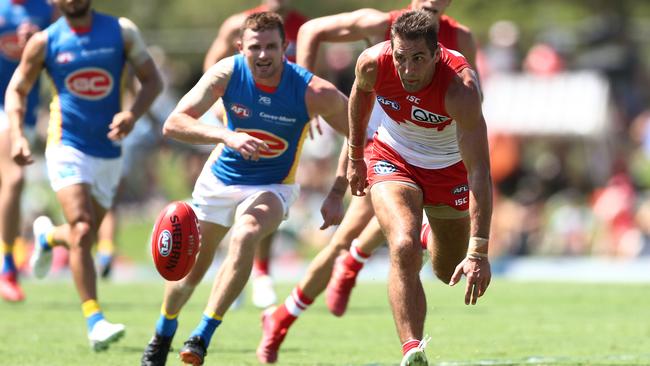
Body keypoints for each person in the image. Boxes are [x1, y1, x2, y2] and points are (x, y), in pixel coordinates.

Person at [255, 1, 479, 363]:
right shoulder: (379, 25)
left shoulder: (461, 39)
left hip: (438, 158)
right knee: (350, 239)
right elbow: (311, 31)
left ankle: (356, 260)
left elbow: (469, 98)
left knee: (417, 245)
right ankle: (283, 318)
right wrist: (301, 96)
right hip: (379, 147)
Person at [139, 12, 349, 366]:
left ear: (286, 47)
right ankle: (164, 329)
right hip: (220, 180)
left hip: (273, 185)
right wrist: (226, 135)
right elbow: (174, 123)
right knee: (188, 272)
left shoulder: (313, 92)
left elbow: (358, 135)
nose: (263, 55)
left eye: (272, 47)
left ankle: (202, 335)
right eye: (255, 47)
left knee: (247, 231)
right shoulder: (228, 73)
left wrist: (336, 192)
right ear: (241, 48)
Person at [6, 0, 162, 350]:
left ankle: (47, 238)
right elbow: (17, 89)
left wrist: (133, 115)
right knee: (83, 226)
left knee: (83, 236)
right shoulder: (45, 42)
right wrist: (17, 134)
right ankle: (95, 319)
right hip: (67, 143)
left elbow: (152, 81)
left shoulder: (121, 32)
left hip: (109, 149)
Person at [348, 10, 492, 365]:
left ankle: (430, 234)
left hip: (449, 171)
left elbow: (479, 173)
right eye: (401, 57)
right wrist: (355, 157)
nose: (408, 70)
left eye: (418, 59)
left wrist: (478, 252)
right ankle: (412, 349)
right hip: (392, 156)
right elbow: (360, 94)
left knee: (447, 272)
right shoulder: (372, 63)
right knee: (403, 244)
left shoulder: (461, 89)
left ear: (436, 53)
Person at [202, 0, 309, 309]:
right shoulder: (238, 22)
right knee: (227, 196)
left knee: (270, 192)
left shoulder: (303, 25)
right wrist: (221, 111)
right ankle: (228, 268)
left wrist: (311, 113)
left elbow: (316, 70)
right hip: (235, 120)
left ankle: (262, 273)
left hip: (282, 123)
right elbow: (212, 67)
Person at [0, 0, 56, 303]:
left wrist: (39, 40)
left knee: (8, 186)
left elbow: (63, 53)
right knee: (15, 179)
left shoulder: (48, 9)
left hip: (27, 110)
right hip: (2, 106)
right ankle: (8, 269)